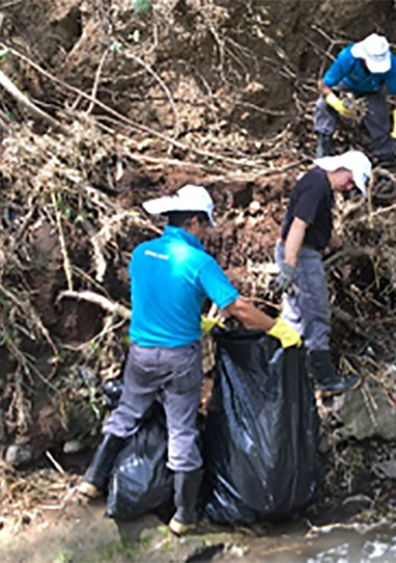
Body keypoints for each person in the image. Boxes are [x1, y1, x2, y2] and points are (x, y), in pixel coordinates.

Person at [78, 184, 301, 536]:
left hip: (140, 352)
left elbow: (154, 297)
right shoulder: (198, 262)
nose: (206, 231)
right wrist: (278, 329)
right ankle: (183, 515)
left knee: (127, 413)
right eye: (204, 224)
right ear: (194, 221)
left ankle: (92, 480)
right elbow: (237, 307)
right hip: (179, 358)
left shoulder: (142, 253)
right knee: (181, 429)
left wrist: (193, 319)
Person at [273, 150, 371, 394]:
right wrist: (289, 265)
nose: (349, 187)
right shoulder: (317, 185)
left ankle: (286, 375)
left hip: (303, 251)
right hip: (302, 255)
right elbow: (298, 225)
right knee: (316, 313)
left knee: (294, 318)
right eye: (350, 181)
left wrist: (339, 245)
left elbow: (319, 225)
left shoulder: (321, 185)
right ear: (342, 167)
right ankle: (324, 378)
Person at [314, 33, 396, 166]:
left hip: (372, 89)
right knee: (323, 106)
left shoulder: (391, 64)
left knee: (379, 113)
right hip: (345, 84)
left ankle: (385, 156)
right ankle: (324, 151)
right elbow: (323, 84)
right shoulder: (348, 57)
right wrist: (337, 103)